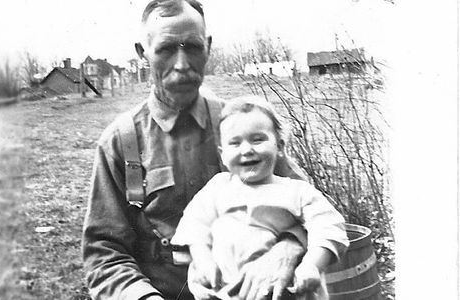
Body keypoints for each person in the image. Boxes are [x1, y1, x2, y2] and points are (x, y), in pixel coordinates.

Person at [82, 1, 309, 299]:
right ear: (143, 53)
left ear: (208, 47)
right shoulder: (120, 142)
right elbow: (104, 253)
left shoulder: (241, 130)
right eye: (165, 49)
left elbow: (310, 208)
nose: (182, 65)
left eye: (192, 47)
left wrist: (286, 250)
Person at [171, 96, 349, 300]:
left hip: (283, 292)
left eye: (257, 139)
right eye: (235, 143)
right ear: (222, 154)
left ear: (280, 146)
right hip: (226, 292)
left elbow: (329, 227)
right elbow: (195, 226)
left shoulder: (297, 191)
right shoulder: (218, 187)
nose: (247, 150)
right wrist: (203, 262)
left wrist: (312, 265)